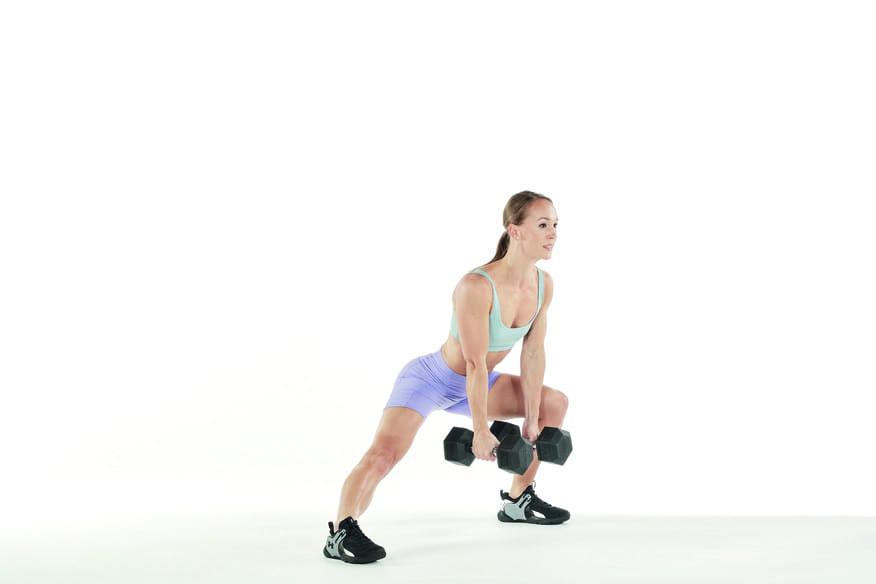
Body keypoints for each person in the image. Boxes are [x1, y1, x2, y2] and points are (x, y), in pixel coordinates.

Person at [323, 191, 570, 564]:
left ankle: (518, 500)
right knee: (383, 456)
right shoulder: (476, 285)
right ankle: (341, 531)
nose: (552, 232)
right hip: (433, 380)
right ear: (514, 231)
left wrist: (533, 419)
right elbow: (473, 362)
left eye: (554, 225)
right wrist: (481, 428)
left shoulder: (543, 284)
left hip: (483, 381)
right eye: (542, 224)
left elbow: (533, 353)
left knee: (555, 403)